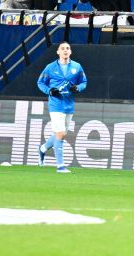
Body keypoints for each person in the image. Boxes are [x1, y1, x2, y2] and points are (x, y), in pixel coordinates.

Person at [36, 41, 87, 174]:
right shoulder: (50, 67)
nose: (65, 50)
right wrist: (49, 90)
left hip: (69, 104)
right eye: (63, 48)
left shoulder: (77, 66)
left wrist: (78, 88)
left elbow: (84, 82)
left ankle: (42, 149)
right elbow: (40, 82)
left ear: (70, 52)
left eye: (67, 48)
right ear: (58, 52)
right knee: (61, 133)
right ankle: (60, 166)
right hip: (56, 103)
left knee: (60, 133)